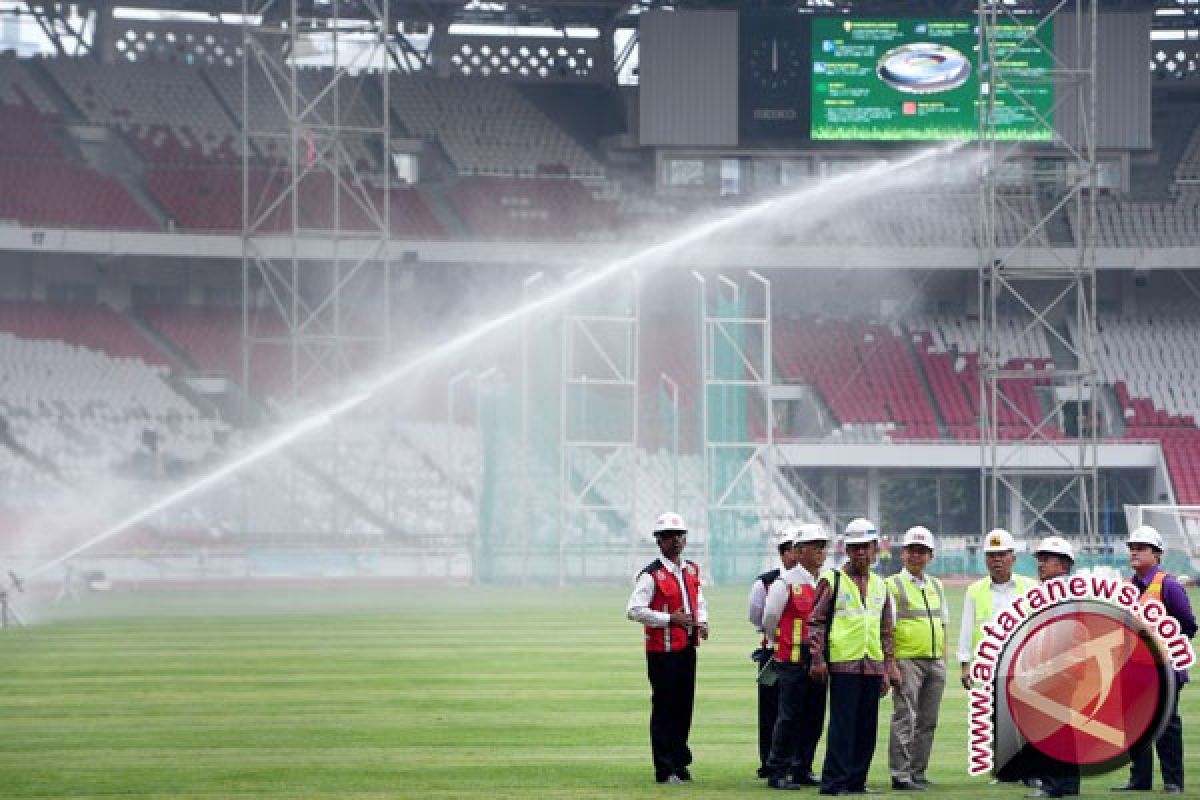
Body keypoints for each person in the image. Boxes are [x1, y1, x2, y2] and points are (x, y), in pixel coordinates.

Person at [808, 517, 901, 796]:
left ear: (876, 549)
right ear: (846, 550)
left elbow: (887, 629)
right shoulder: (832, 580)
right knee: (842, 727)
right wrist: (817, 659)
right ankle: (834, 782)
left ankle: (856, 782)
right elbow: (816, 622)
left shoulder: (881, 586)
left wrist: (888, 667)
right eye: (855, 547)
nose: (861, 552)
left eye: (866, 547)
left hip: (871, 666)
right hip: (843, 664)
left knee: (866, 729)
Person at [1112, 525, 1197, 795]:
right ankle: (1140, 780)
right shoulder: (1126, 587)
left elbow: (1188, 624)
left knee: (1166, 724)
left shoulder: (1168, 585)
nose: (1134, 552)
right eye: (1132, 547)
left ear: (1157, 554)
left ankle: (1173, 781)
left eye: (1141, 548)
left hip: (1165, 668)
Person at [626, 511, 709, 784]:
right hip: (661, 652)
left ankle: (680, 762)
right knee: (664, 708)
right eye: (668, 537)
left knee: (684, 707)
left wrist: (702, 622)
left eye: (678, 536)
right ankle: (664, 767)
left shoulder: (692, 569)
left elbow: (698, 599)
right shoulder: (650, 575)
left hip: (686, 648)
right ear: (659, 541)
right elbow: (634, 610)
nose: (675, 541)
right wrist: (669, 619)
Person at [760, 523, 830, 790]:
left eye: (823, 547)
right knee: (789, 717)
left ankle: (802, 767)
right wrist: (782, 643)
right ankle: (777, 770)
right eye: (815, 547)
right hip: (792, 660)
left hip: (818, 660)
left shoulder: (824, 582)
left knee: (814, 717)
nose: (821, 553)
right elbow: (769, 618)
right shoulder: (786, 582)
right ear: (799, 552)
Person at [886, 525, 948, 792]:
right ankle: (900, 774)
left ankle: (917, 772)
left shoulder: (936, 586)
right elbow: (886, 629)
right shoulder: (893, 585)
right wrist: (891, 664)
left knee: (927, 721)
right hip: (907, 660)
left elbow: (943, 624)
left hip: (934, 661)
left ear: (930, 556)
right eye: (912, 550)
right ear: (903, 554)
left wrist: (943, 660)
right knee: (905, 717)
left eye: (922, 551)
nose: (916, 556)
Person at [1028, 536, 1082, 799]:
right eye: (1039, 559)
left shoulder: (1059, 594)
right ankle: (1069, 785)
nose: (1040, 564)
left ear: (1063, 565)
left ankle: (1052, 785)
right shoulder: (1064, 591)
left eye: (1046, 559)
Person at [748, 528, 803, 779]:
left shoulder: (811, 580)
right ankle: (769, 762)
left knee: (796, 712)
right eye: (793, 549)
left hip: (799, 655)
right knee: (770, 711)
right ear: (783, 553)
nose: (797, 554)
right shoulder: (766, 582)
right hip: (772, 652)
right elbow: (756, 616)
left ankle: (796, 763)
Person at [958, 528, 1038, 689]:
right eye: (991, 555)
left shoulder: (1031, 587)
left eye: (1002, 555)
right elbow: (966, 629)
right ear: (985, 559)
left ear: (1013, 558)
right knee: (990, 713)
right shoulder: (974, 590)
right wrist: (965, 664)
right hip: (988, 665)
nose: (997, 560)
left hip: (1022, 666)